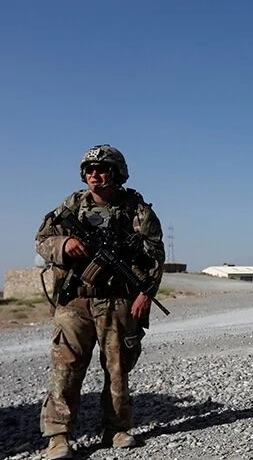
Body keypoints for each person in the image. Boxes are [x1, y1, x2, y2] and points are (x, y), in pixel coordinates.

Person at [35, 145, 165, 459]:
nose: (95, 175)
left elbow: (155, 256)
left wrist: (145, 294)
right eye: (90, 170)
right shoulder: (72, 205)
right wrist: (65, 244)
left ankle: (116, 429)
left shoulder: (136, 210)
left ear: (117, 173)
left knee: (118, 368)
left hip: (117, 300)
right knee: (66, 368)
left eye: (102, 169)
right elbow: (42, 240)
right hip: (75, 300)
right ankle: (58, 436)